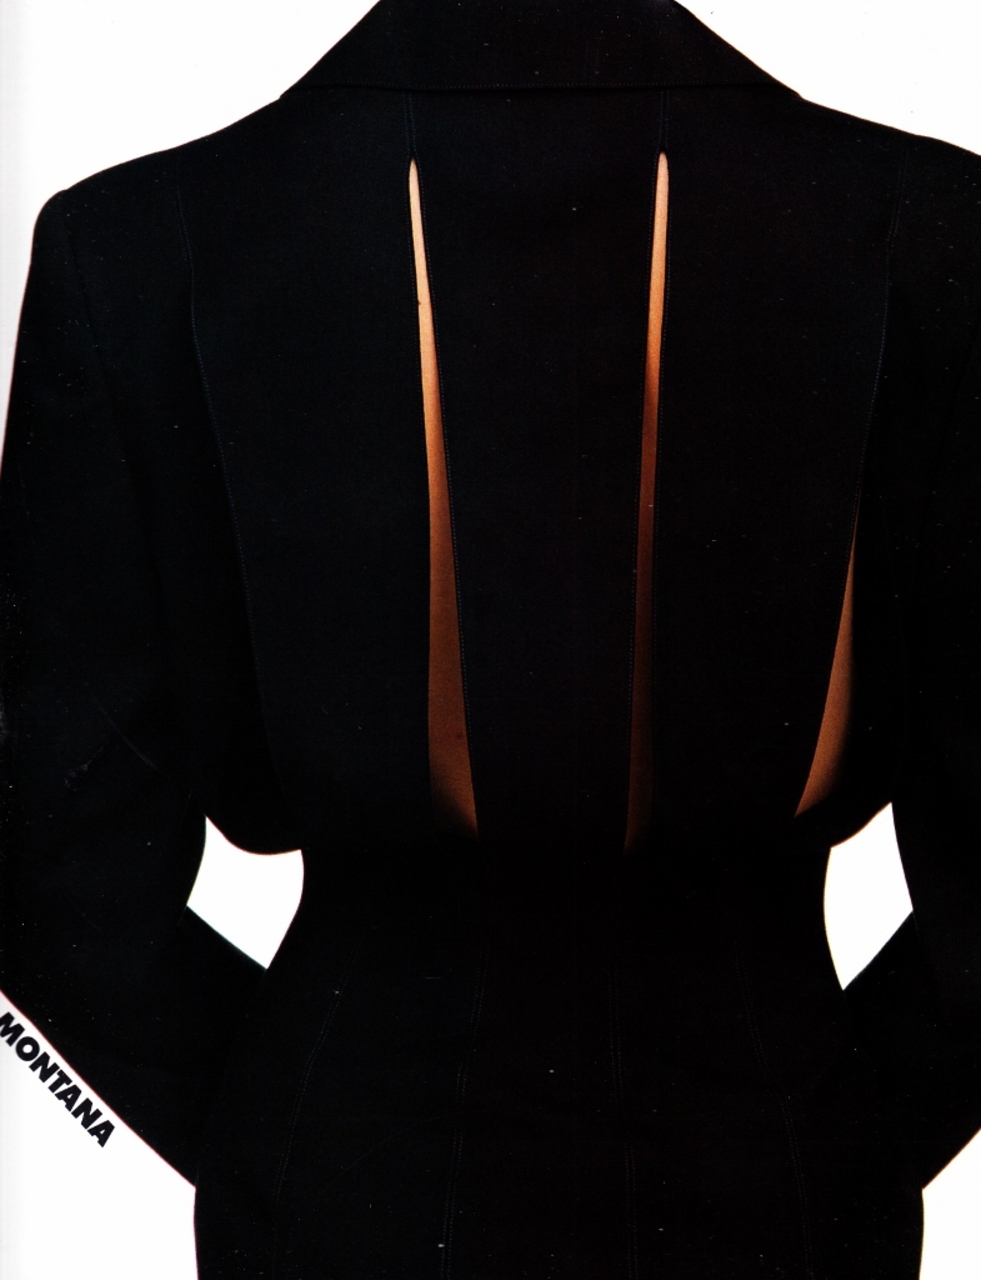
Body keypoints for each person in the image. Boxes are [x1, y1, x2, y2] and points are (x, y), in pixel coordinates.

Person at [3, 0, 981, 1274]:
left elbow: (46, 859)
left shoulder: (134, 244)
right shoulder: (932, 228)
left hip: (346, 1170)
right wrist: (837, 1127)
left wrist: (286, 1123)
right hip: (779, 1163)